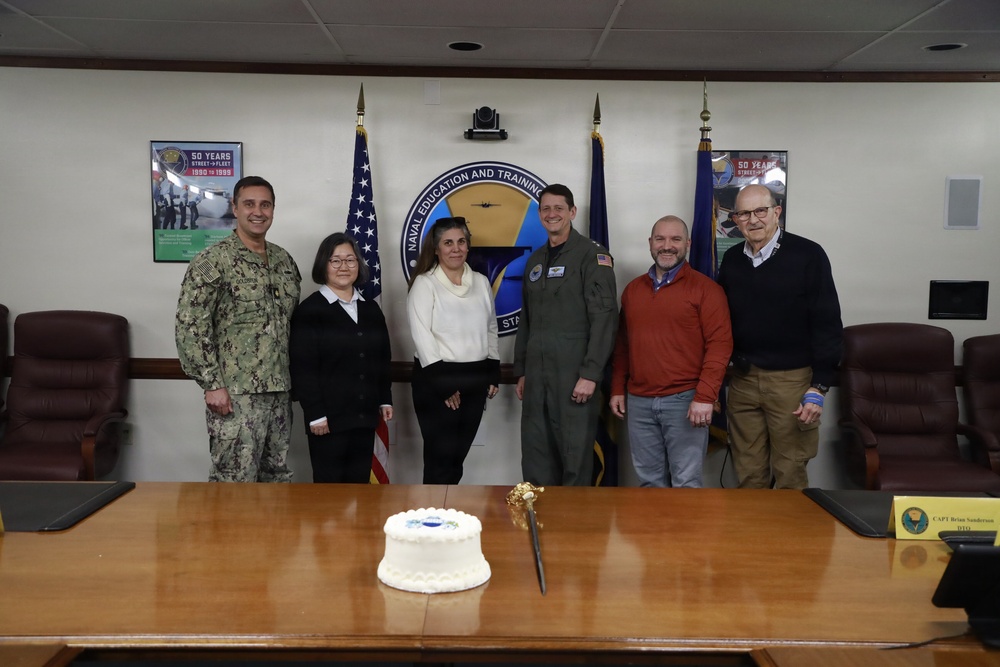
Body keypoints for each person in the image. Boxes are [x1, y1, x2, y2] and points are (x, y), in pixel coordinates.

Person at [175, 175, 302, 482]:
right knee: (235, 481)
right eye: (249, 204)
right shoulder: (213, 262)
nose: (258, 212)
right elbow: (190, 326)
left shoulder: (284, 261)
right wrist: (212, 384)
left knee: (276, 479)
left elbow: (292, 324)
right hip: (235, 395)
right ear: (234, 207)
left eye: (265, 204)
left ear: (273, 209)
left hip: (279, 394)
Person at [717, 184, 842, 489]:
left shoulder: (808, 255)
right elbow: (721, 322)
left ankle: (793, 539)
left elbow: (828, 323)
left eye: (760, 210)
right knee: (748, 472)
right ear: (735, 219)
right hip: (744, 381)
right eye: (744, 213)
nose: (753, 219)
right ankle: (754, 539)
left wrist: (819, 387)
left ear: (777, 212)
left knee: (790, 473)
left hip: (793, 382)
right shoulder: (733, 259)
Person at [610, 216, 732, 488]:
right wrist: (618, 387)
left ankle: (684, 534)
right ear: (650, 244)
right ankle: (654, 533)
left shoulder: (707, 290)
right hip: (639, 402)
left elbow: (720, 346)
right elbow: (623, 346)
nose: (667, 246)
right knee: (649, 483)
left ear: (687, 244)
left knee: (686, 483)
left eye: (675, 239)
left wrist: (704, 397)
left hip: (685, 401)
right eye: (660, 239)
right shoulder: (632, 291)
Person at [513, 184, 618, 486]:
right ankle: (537, 527)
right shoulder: (535, 262)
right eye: (546, 208)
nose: (552, 214)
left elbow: (605, 318)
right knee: (536, 458)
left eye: (559, 208)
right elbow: (528, 320)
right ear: (539, 215)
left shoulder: (593, 257)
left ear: (572, 212)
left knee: (575, 459)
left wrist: (591, 373)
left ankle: (574, 531)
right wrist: (521, 371)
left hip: (574, 377)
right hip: (537, 378)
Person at [289, 233, 392, 484]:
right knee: (330, 495)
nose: (344, 267)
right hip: (327, 421)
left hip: (364, 417)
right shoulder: (310, 311)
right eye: (335, 261)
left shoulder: (370, 309)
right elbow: (303, 368)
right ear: (323, 265)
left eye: (350, 260)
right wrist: (315, 414)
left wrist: (384, 399)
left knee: (358, 489)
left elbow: (382, 358)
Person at [407, 217, 500, 484]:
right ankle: (431, 521)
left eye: (461, 242)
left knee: (457, 460)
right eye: (448, 243)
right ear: (436, 249)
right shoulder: (425, 284)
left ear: (468, 246)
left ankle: (450, 520)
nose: (456, 248)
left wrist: (493, 368)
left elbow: (490, 326)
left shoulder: (481, 282)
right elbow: (421, 335)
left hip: (475, 380)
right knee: (439, 461)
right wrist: (444, 384)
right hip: (437, 381)